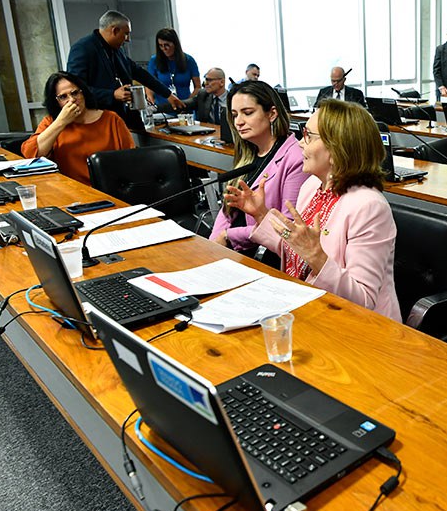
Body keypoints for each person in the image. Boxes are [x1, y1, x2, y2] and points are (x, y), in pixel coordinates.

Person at [224, 99, 400, 321]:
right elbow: (297, 251)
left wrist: (316, 255)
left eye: (308, 135)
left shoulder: (369, 207)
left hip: (358, 327)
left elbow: (363, 299)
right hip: (310, 306)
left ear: (337, 148)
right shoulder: (311, 187)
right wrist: (260, 214)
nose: (299, 143)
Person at [210, 81, 309, 265]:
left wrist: (229, 235)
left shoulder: (295, 157)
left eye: (247, 113)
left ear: (272, 113)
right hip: (231, 254)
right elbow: (228, 210)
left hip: (265, 258)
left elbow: (286, 225)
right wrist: (213, 246)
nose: (239, 122)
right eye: (234, 115)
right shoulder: (247, 154)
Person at [66, 10, 184, 129]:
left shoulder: (117, 50)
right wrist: (112, 94)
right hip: (99, 120)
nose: (128, 39)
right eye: (126, 34)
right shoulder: (82, 49)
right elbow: (76, 90)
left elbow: (139, 72)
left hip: (125, 115)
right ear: (115, 30)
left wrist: (168, 94)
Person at [21, 71, 133, 186]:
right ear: (56, 102)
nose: (72, 100)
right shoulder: (51, 122)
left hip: (110, 189)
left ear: (83, 93)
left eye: (75, 93)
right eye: (63, 97)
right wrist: (61, 122)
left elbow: (132, 160)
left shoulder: (111, 119)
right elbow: (30, 153)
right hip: (71, 190)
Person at [145, 28, 200, 104]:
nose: (164, 49)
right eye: (161, 45)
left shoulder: (189, 60)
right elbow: (149, 84)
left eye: (167, 45)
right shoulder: (154, 61)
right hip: (163, 109)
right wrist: (150, 97)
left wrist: (188, 103)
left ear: (175, 44)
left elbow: (198, 87)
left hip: (185, 107)